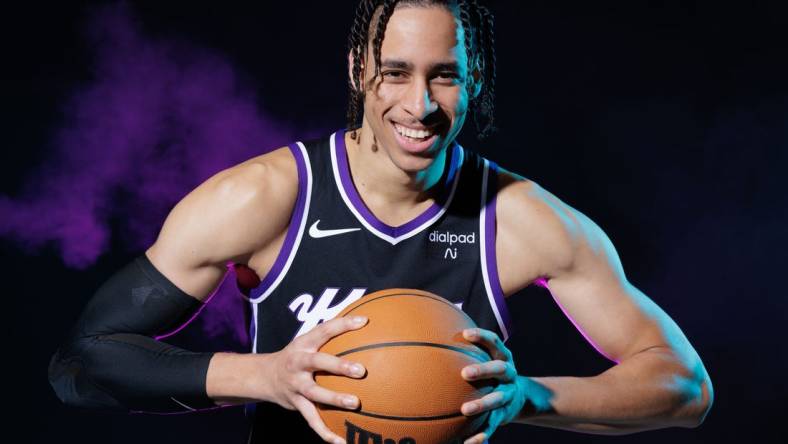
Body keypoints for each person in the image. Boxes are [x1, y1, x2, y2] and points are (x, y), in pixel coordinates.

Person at [48, 1, 714, 443]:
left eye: (445, 77)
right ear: (357, 68)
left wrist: (531, 395)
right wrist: (265, 376)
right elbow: (82, 363)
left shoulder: (520, 219)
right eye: (395, 73)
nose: (418, 104)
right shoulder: (261, 200)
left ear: (475, 79)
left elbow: (685, 386)